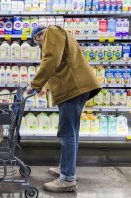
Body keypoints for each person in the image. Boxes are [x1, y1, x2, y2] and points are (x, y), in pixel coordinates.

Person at [26, 25, 101, 193]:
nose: (39, 47)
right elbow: (59, 62)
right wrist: (43, 85)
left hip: (72, 87)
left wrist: (35, 85)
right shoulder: (58, 34)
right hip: (75, 86)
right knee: (71, 132)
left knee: (66, 133)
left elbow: (51, 59)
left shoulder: (51, 32)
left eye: (37, 44)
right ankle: (65, 168)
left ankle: (67, 178)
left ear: (37, 38)